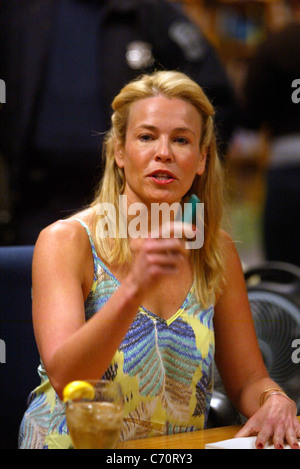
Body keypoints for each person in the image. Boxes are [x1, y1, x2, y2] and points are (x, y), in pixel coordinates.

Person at [18, 71, 299, 450]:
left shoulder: (216, 251)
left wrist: (274, 400)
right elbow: (68, 380)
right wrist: (135, 287)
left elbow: (249, 380)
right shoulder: (66, 241)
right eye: (147, 136)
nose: (163, 152)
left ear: (201, 159)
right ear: (119, 151)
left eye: (181, 140)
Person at [0, 0, 237, 245]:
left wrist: (187, 195)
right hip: (30, 199)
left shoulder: (151, 11)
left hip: (139, 206)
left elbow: (215, 101)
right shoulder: (18, 11)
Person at [241, 4, 300, 267]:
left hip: (287, 168)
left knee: (283, 274)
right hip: (285, 166)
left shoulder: (274, 46)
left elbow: (252, 115)